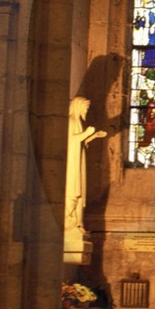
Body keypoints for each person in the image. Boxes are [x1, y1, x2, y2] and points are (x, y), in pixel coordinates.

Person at [64, 96, 107, 255]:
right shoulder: (69, 121)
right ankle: (68, 222)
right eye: (85, 108)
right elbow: (70, 141)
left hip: (78, 162)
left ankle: (77, 223)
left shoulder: (78, 122)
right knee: (72, 193)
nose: (86, 111)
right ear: (77, 106)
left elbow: (81, 143)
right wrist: (86, 133)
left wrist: (93, 136)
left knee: (78, 194)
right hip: (71, 165)